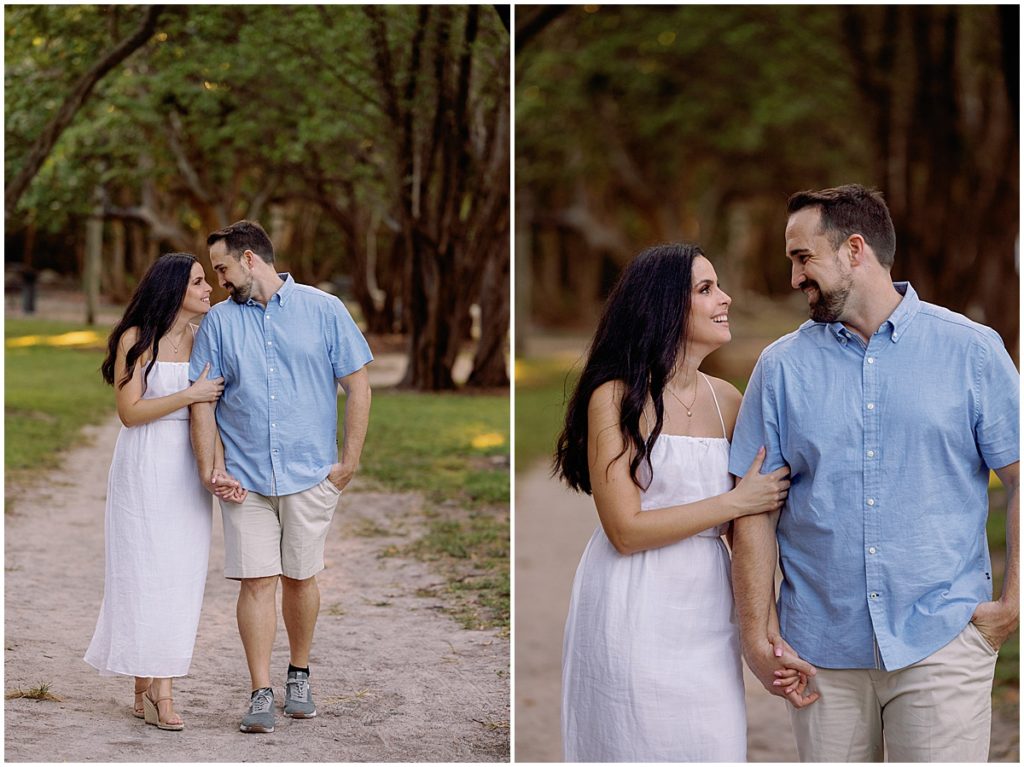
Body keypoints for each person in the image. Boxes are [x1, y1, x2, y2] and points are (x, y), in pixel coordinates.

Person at [730, 184, 1020, 761]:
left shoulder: (973, 351)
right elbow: (755, 507)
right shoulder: (781, 368)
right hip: (819, 651)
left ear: (854, 250)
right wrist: (756, 634)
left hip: (943, 642)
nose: (793, 278)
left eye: (802, 257)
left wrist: (1013, 603)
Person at [553, 243, 801, 761]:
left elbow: (750, 534)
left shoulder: (728, 399)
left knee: (714, 743)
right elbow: (626, 529)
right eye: (706, 289)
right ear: (664, 305)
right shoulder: (616, 396)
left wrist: (769, 631)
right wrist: (736, 502)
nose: (725, 298)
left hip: (709, 606)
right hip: (632, 601)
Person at [188, 220, 373, 734]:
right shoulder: (220, 323)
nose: (218, 279)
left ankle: (299, 674)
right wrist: (211, 467)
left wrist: (347, 462)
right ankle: (260, 690)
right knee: (256, 580)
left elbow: (359, 387)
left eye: (221, 267)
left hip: (310, 474)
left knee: (300, 576)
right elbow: (205, 399)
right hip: (244, 479)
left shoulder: (325, 309)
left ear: (250, 259)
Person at [85, 253, 226, 731]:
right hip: (144, 465)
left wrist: (218, 467)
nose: (210, 288)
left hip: (188, 467)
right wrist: (190, 395)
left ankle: (156, 685)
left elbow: (218, 413)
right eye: (200, 282)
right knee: (144, 573)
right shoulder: (137, 339)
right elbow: (130, 412)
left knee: (180, 578)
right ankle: (155, 691)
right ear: (173, 289)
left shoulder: (206, 337)